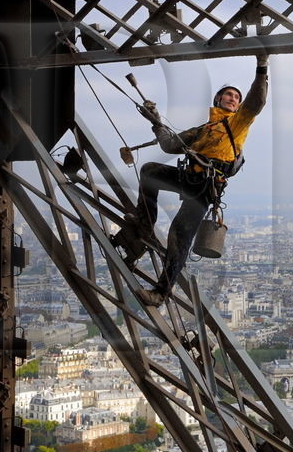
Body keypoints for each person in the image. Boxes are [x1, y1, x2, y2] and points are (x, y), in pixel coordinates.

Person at [115, 54, 269, 305]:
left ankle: (160, 293)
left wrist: (262, 67)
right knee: (150, 170)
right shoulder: (203, 130)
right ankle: (145, 222)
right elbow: (169, 145)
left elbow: (257, 101)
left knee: (179, 235)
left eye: (237, 97)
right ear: (218, 99)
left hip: (204, 189)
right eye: (229, 95)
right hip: (189, 179)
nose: (234, 99)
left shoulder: (239, 123)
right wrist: (155, 121)